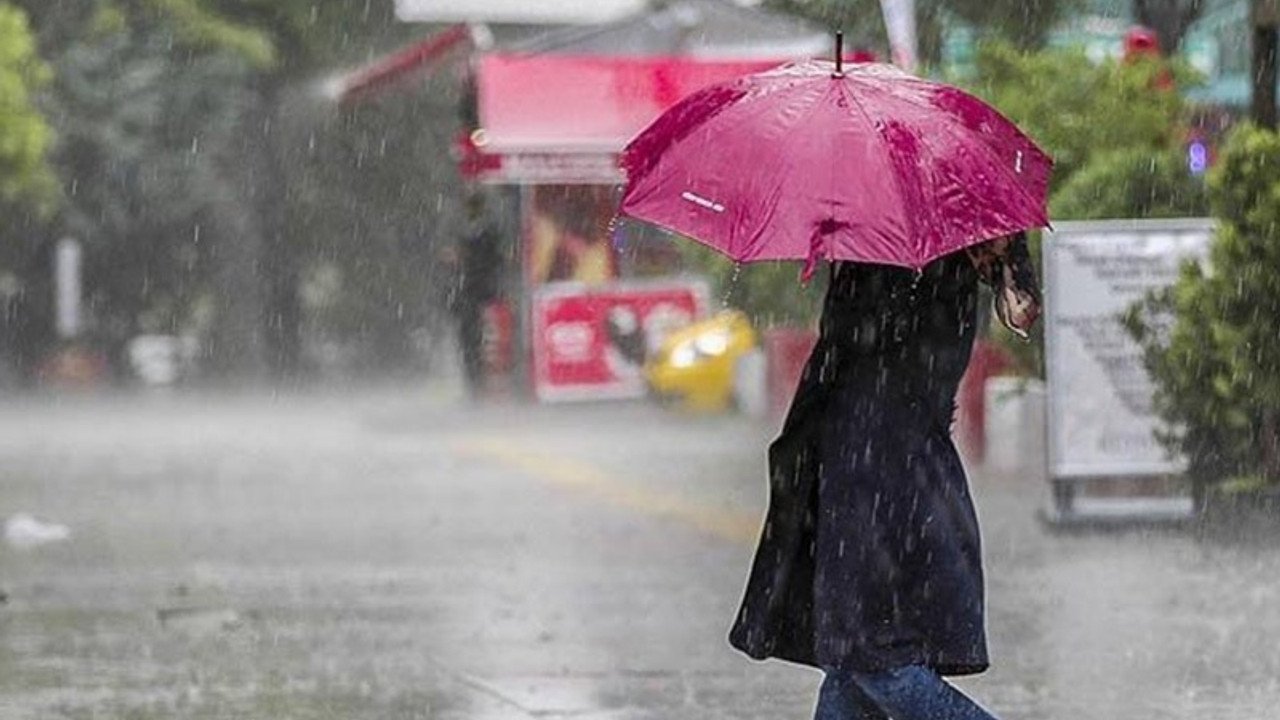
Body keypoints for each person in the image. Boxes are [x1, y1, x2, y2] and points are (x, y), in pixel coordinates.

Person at [728, 233, 1041, 720]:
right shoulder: (954, 233)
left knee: (874, 655)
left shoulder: (887, 243)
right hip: (903, 460)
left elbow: (862, 337)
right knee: (852, 656)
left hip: (872, 462)